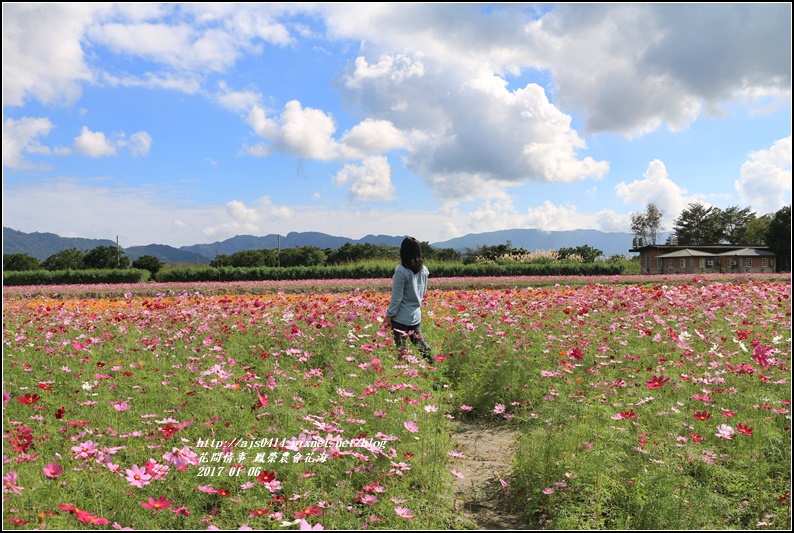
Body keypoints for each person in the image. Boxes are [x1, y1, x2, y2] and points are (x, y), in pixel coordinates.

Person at [384, 236, 433, 361]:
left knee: (402, 349)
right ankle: (433, 366)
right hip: (415, 315)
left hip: (401, 317)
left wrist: (389, 315)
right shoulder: (424, 270)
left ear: (403, 252)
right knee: (420, 345)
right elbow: (423, 292)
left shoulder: (401, 270)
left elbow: (397, 297)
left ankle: (404, 373)